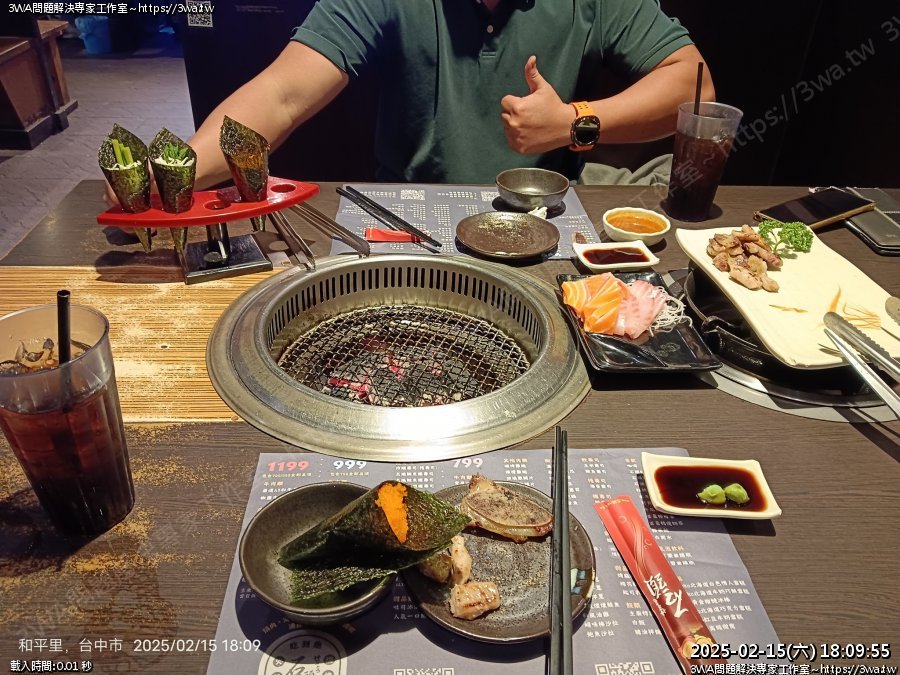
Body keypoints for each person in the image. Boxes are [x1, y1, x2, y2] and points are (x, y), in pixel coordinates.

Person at [195, 0, 713, 188]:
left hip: (545, 215)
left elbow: (695, 85)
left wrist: (573, 122)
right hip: (408, 214)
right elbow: (281, 93)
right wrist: (177, 172)